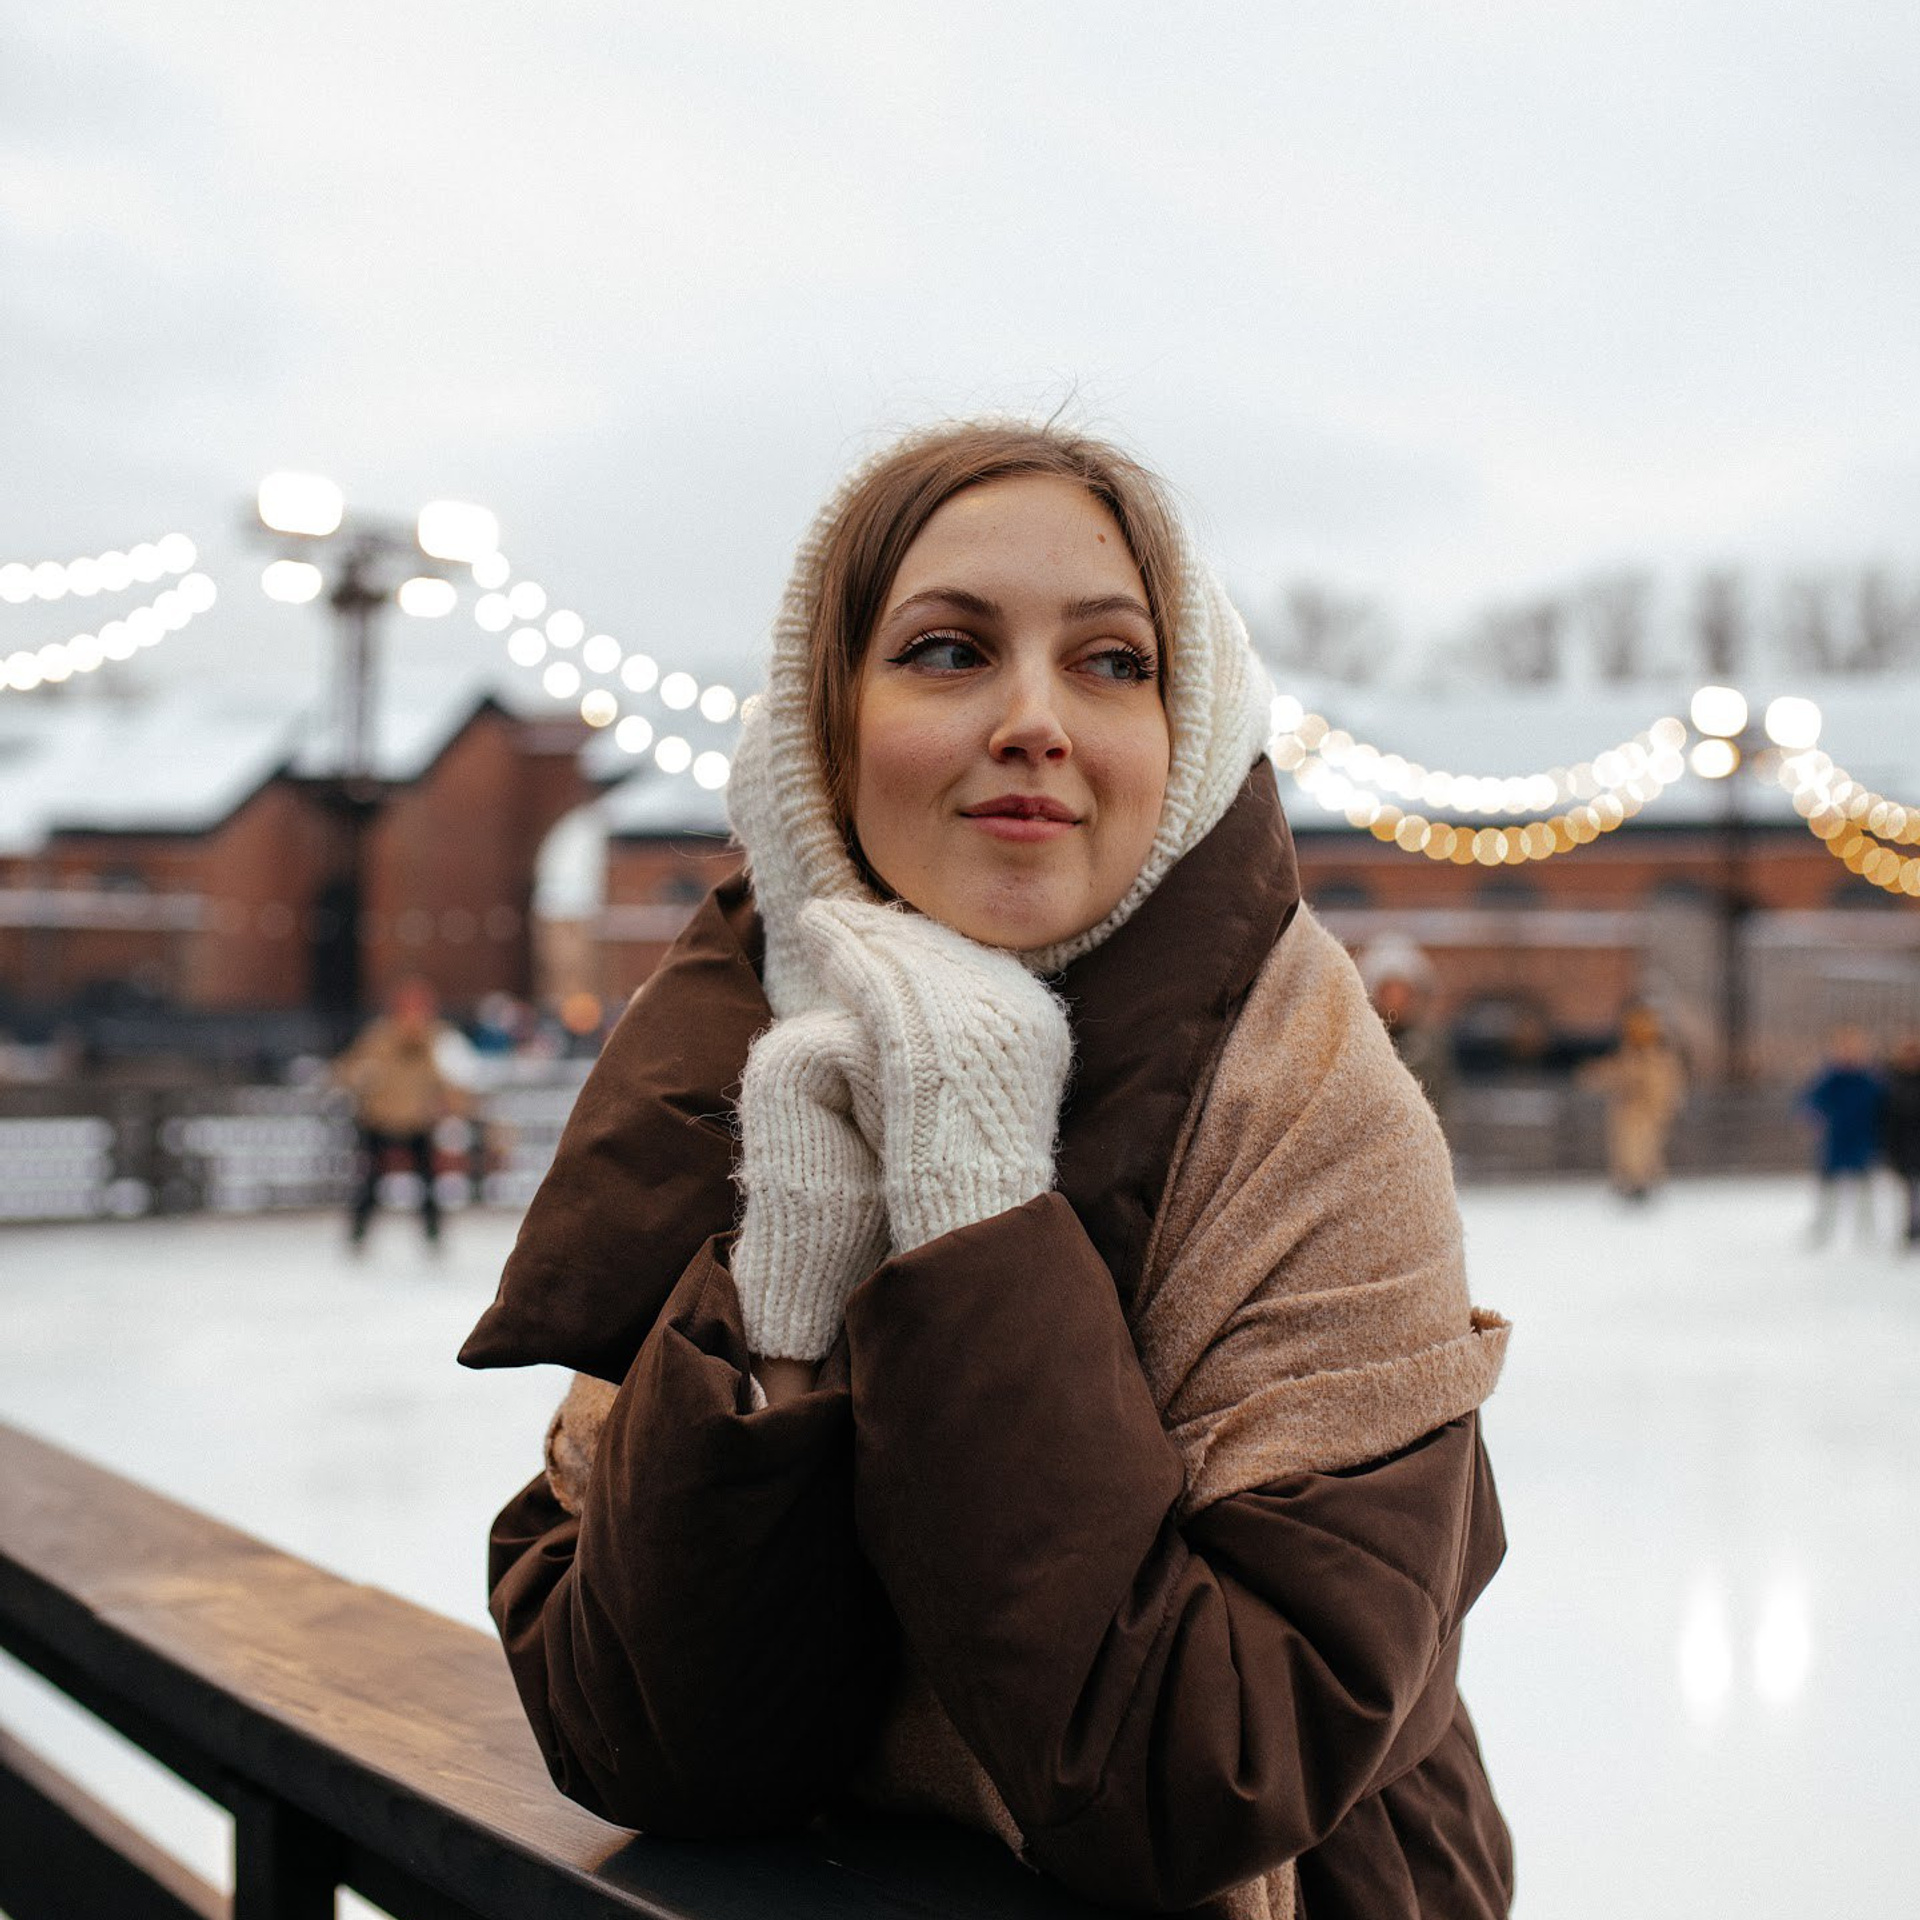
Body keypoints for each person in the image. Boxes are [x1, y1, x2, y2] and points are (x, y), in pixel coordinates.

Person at [459, 421, 1514, 1919]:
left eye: (1113, 662)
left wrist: (976, 1209)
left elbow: (1195, 1774)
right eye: (949, 652)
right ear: (829, 725)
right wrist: (794, 1287)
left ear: (1189, 728)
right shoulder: (749, 1048)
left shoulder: (1316, 1111)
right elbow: (648, 1740)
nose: (1036, 719)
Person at [332, 976, 464, 1250]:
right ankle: (359, 1233)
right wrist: (361, 1079)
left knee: (427, 1185)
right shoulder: (379, 1039)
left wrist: (452, 1102)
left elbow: (444, 1078)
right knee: (370, 1185)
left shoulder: (433, 1039)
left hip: (417, 1122)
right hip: (381, 1121)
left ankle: (432, 1234)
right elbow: (348, 1070)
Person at [1577, 1001, 1688, 1201]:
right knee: (1631, 1147)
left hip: (1645, 1110)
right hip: (1634, 1110)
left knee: (1639, 1147)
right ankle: (1634, 1182)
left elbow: (1653, 1082)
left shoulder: (1654, 1056)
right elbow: (1617, 1074)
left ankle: (1640, 1182)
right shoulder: (1636, 1053)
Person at [1797, 1026, 1885, 1246]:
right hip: (1835, 1143)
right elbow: (1808, 1102)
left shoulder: (1869, 1081)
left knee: (1864, 1191)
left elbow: (1885, 1109)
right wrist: (1814, 1117)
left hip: (1862, 1142)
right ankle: (1821, 1232)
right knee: (1829, 1192)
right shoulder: (1830, 1079)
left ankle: (1867, 1234)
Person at [1359, 934, 1455, 1124]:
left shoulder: (1431, 1047)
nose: (1396, 1001)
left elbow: (1443, 1102)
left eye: (1402, 993)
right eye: (1389, 992)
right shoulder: (1360, 1046)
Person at [1879, 1033, 1920, 1248]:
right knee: (1909, 1192)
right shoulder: (1891, 1082)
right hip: (1904, 1147)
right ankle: (1911, 1229)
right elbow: (1886, 1118)